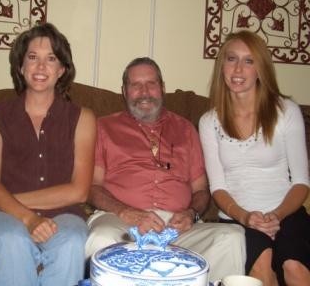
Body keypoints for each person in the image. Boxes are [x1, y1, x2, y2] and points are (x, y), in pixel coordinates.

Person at [85, 57, 246, 282]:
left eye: (151, 83)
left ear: (162, 88)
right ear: (124, 91)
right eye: (135, 85)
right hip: (120, 219)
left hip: (177, 229)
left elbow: (201, 190)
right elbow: (92, 188)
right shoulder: (104, 127)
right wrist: (125, 212)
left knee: (232, 237)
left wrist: (191, 213)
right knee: (102, 239)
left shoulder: (186, 129)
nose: (144, 92)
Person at [0, 23, 96, 286]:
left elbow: (79, 191)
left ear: (62, 70)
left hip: (64, 213)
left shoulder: (83, 118)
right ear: (21, 67)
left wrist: (7, 200)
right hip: (6, 217)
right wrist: (27, 217)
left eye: (51, 59)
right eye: (32, 57)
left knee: (72, 243)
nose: (41, 67)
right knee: (11, 241)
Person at [199, 30, 310, 286]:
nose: (238, 69)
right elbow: (218, 187)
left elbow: (302, 181)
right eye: (232, 59)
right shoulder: (209, 122)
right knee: (261, 269)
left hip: (286, 214)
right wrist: (246, 216)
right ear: (222, 66)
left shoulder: (286, 111)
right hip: (238, 220)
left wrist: (277, 215)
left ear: (261, 69)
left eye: (249, 61)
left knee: (294, 268)